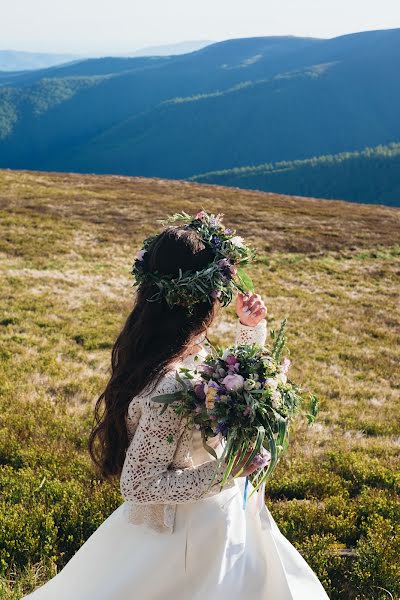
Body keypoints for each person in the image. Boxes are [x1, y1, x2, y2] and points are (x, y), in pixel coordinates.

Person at [22, 212, 330, 599]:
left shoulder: (169, 356)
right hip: (189, 537)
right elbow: (138, 484)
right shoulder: (169, 384)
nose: (222, 298)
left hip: (219, 516)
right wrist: (226, 471)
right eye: (220, 290)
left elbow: (218, 388)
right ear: (200, 299)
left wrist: (249, 330)